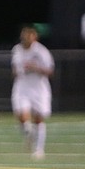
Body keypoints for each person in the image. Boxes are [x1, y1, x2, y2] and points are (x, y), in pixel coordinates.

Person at [11, 24, 55, 160]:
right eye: (24, 35)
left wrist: (36, 68)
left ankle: (39, 150)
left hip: (39, 88)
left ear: (34, 37)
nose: (26, 38)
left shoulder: (41, 51)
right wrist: (21, 70)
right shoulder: (17, 50)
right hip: (23, 87)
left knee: (38, 119)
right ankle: (28, 133)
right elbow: (14, 70)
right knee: (22, 117)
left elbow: (50, 71)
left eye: (29, 35)